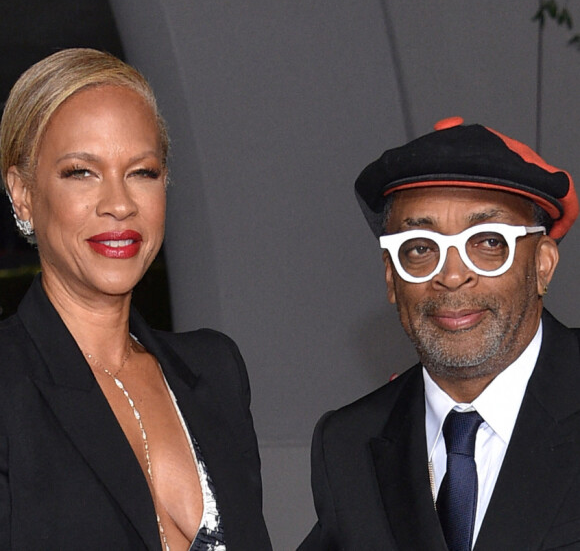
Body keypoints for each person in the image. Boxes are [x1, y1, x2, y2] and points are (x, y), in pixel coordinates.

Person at [0, 48, 272, 551]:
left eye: (141, 171)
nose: (120, 203)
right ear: (22, 194)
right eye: (82, 171)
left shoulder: (215, 371)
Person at [299, 116, 580, 551]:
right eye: (419, 249)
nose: (451, 276)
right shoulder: (351, 445)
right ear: (391, 278)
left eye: (489, 243)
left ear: (542, 264)